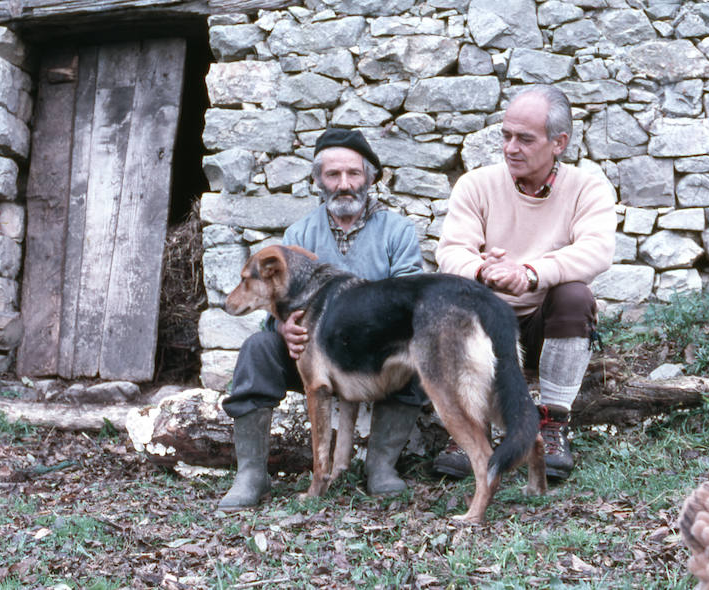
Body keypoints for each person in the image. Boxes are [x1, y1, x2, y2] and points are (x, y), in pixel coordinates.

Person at [218, 128, 426, 511]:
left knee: (416, 348)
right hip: (311, 351)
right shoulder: (300, 234)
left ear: (369, 177)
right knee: (258, 348)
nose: (344, 184)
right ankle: (251, 472)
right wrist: (282, 327)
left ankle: (381, 465)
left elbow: (411, 300)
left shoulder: (396, 231)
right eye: (333, 175)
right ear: (318, 181)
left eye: (353, 174)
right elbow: (273, 295)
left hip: (375, 353)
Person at [435, 85, 616, 481]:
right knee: (452, 299)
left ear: (559, 142)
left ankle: (551, 424)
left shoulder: (588, 188)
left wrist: (529, 272)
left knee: (574, 295)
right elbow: (451, 251)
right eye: (505, 135)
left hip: (542, 328)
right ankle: (471, 427)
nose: (510, 147)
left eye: (524, 138)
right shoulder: (476, 185)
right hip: (484, 326)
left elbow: (597, 251)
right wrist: (484, 272)